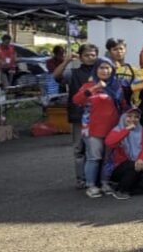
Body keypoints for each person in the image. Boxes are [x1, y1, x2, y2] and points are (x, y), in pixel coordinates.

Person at [72, 58, 125, 198]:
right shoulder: (88, 85)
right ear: (95, 70)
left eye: (108, 68)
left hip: (112, 128)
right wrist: (94, 88)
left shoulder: (116, 86)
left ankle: (105, 182)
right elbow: (77, 100)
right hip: (92, 129)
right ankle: (91, 185)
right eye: (101, 68)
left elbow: (123, 105)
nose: (105, 71)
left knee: (108, 158)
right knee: (94, 158)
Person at [56, 43, 98, 188]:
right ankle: (81, 179)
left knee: (96, 149)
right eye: (87, 55)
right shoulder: (73, 73)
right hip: (79, 115)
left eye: (93, 55)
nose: (90, 58)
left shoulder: (101, 72)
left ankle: (96, 177)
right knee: (79, 148)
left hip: (99, 117)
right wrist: (66, 60)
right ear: (80, 57)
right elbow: (56, 76)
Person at [105, 107, 143, 199]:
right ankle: (121, 191)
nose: (133, 119)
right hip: (118, 168)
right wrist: (127, 130)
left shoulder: (140, 130)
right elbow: (109, 142)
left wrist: (141, 159)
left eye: (136, 117)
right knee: (132, 166)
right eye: (129, 116)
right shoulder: (118, 129)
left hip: (135, 165)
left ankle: (125, 187)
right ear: (123, 117)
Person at [106, 39, 136, 104]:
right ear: (109, 52)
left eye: (121, 49)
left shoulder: (133, 70)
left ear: (125, 50)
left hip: (127, 107)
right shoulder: (103, 69)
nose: (119, 51)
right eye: (115, 49)